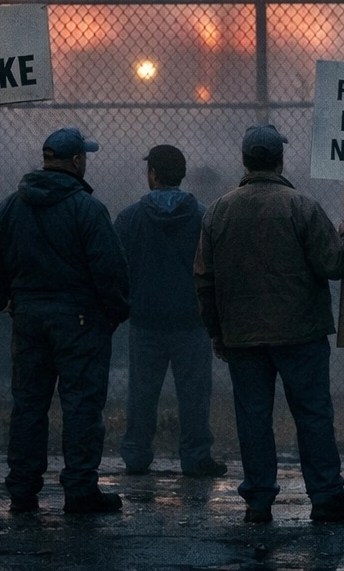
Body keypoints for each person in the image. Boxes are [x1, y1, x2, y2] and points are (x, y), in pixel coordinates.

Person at [195, 124, 344, 524]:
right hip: (300, 333)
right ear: (280, 158)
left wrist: (217, 331)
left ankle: (258, 500)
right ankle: (325, 495)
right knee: (313, 414)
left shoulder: (218, 210)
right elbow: (333, 264)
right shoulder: (302, 206)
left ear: (244, 160)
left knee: (253, 418)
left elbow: (204, 279)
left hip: (242, 337)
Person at [0, 127, 130, 515]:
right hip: (80, 319)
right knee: (81, 405)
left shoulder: (13, 206)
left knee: (28, 404)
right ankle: (80, 489)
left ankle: (23, 489)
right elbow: (109, 269)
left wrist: (5, 301)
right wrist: (115, 312)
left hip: (28, 316)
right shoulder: (87, 208)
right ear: (78, 161)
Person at [116, 144, 226, 478]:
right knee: (194, 394)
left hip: (146, 320)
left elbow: (116, 268)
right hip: (191, 322)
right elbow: (214, 270)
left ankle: (136, 455)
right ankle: (195, 457)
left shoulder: (131, 218)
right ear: (182, 174)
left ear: (152, 174)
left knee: (142, 394)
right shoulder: (202, 217)